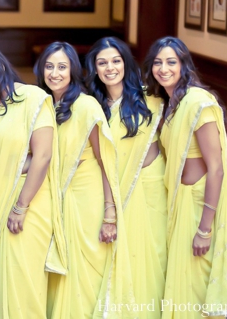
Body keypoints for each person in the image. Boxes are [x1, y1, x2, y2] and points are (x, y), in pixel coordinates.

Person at [143, 36, 227, 318]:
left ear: (183, 65)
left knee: (200, 280)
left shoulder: (198, 104)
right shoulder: (169, 104)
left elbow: (216, 168)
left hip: (199, 204)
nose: (163, 68)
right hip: (180, 203)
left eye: (171, 62)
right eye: (157, 63)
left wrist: (205, 227)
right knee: (185, 281)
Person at [0, 43, 67, 319]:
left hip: (27, 206)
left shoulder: (32, 98)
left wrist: (21, 207)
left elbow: (43, 155)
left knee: (23, 284)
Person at [34, 41, 135, 318]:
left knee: (87, 271)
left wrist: (109, 213)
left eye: (62, 67)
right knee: (62, 272)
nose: (55, 73)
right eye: (50, 66)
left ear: (73, 71)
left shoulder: (87, 105)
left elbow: (105, 163)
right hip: (57, 199)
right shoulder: (42, 104)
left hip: (87, 200)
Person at [85, 37, 167, 318]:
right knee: (120, 258)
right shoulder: (92, 105)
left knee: (150, 257)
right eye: (102, 62)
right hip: (112, 191)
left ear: (126, 63)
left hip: (150, 188)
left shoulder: (152, 99)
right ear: (94, 68)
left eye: (116, 60)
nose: (110, 68)